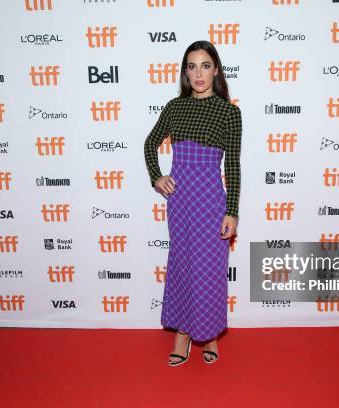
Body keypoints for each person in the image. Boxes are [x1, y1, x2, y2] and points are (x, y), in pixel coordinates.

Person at [143, 40, 242, 366]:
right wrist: (157, 176)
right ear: (185, 72)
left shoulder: (229, 112)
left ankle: (210, 334)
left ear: (216, 69)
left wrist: (232, 211)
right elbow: (149, 143)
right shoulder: (175, 107)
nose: (198, 73)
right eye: (191, 66)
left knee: (209, 270)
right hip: (181, 200)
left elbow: (232, 165)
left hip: (211, 201)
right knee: (184, 265)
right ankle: (182, 334)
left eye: (205, 65)